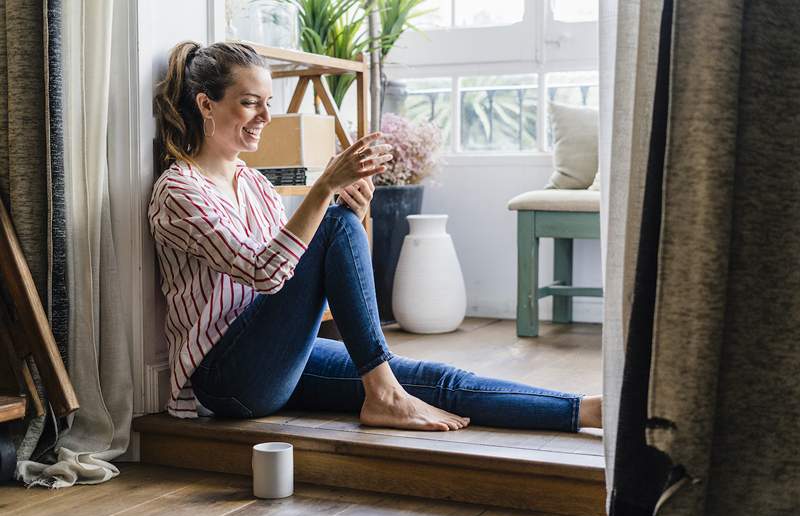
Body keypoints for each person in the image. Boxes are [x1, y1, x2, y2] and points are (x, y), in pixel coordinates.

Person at [148, 41, 602, 432]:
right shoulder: (178, 191)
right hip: (227, 380)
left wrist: (353, 207)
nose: (267, 115)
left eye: (269, 102)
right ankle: (383, 395)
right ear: (206, 104)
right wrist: (324, 191)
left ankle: (586, 411)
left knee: (427, 377)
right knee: (331, 223)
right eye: (251, 102)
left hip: (276, 358)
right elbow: (266, 273)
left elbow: (291, 271)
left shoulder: (256, 184)